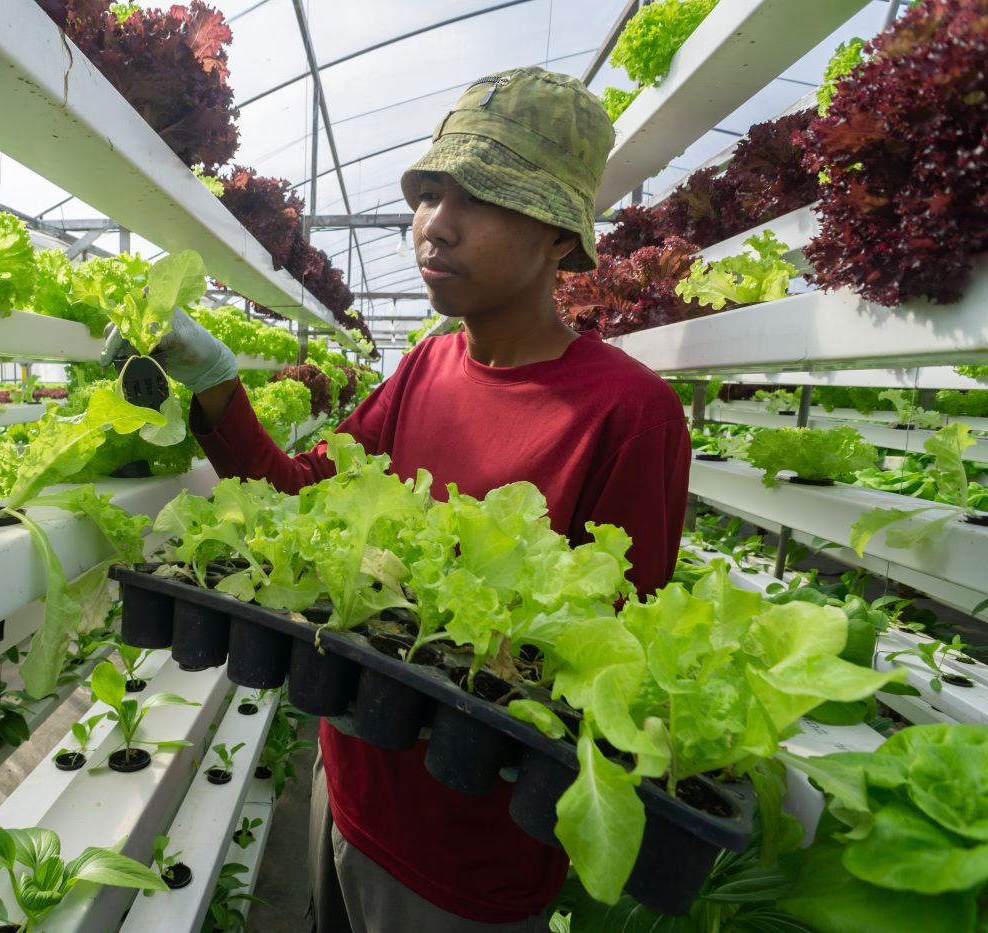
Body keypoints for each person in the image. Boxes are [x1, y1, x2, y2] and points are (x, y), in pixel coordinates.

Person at [104, 67, 691, 932]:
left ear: (561, 238)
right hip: (347, 786)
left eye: (481, 199)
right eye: (429, 193)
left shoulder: (629, 412)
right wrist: (218, 389)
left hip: (467, 863)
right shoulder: (425, 367)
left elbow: (610, 668)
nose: (435, 225)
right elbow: (304, 498)